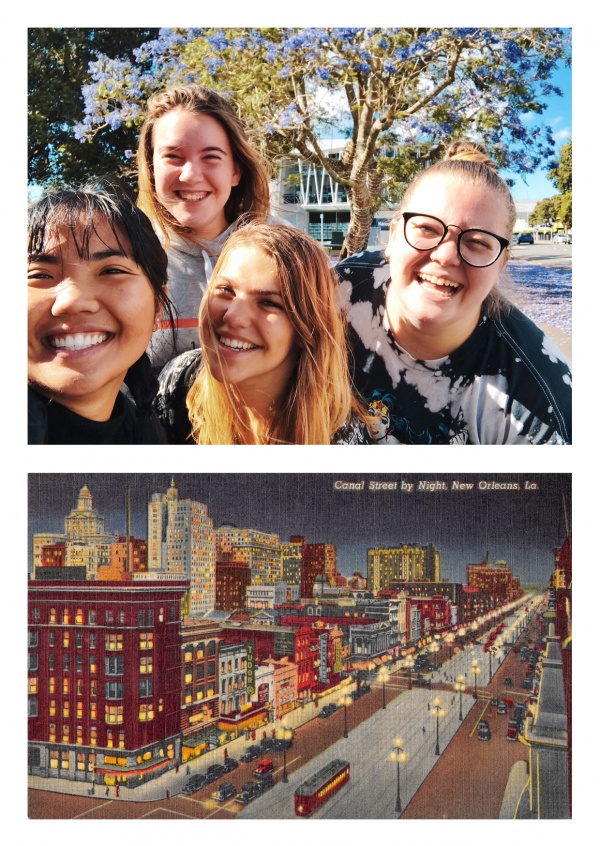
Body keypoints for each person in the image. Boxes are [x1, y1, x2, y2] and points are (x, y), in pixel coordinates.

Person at [336, 141, 572, 444]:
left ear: (500, 265)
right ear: (394, 236)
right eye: (427, 229)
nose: (446, 256)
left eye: (477, 241)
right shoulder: (340, 289)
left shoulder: (538, 403)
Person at [155, 222, 369, 444]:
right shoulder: (178, 382)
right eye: (226, 290)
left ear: (307, 327)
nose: (233, 316)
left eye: (269, 302)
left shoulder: (340, 437)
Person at [137, 84, 271, 368]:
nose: (191, 175)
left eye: (211, 157)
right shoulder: (126, 259)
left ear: (235, 171)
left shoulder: (282, 254)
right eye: (173, 157)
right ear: (151, 168)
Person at [28, 186, 174, 444]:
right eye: (40, 275)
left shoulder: (149, 433)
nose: (72, 301)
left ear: (157, 307)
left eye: (111, 271)